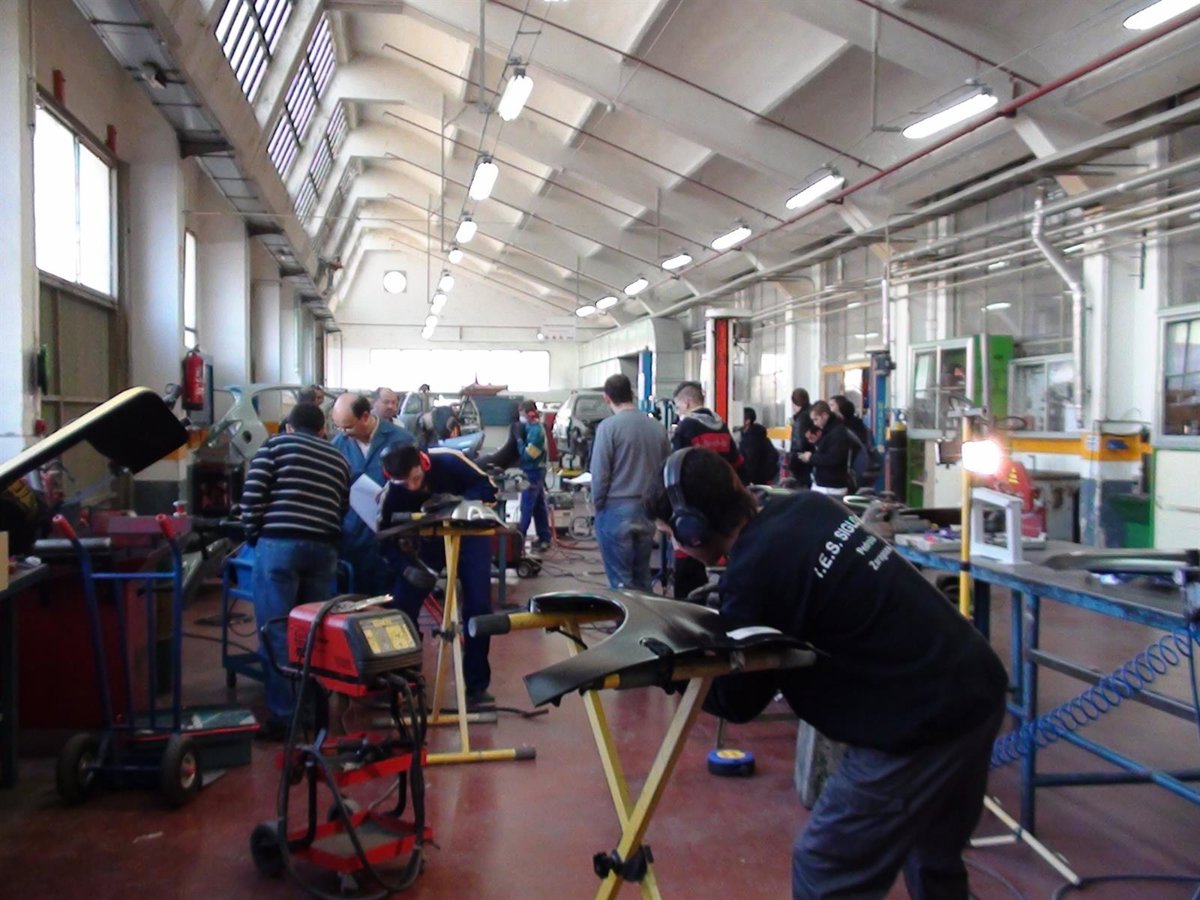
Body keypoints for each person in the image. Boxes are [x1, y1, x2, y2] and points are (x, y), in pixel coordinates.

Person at [644, 448, 1007, 900]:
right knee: (933, 858)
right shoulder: (808, 506)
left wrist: (671, 670)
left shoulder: (755, 572)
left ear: (693, 528)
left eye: (674, 536)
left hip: (922, 721)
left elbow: (739, 701)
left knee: (825, 868)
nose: (679, 548)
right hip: (975, 681)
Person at [240, 403, 351, 739]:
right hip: (324, 549)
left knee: (276, 630)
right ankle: (313, 714)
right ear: (322, 429)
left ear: (289, 425)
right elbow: (342, 506)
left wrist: (253, 534)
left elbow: (252, 496)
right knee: (312, 632)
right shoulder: (338, 459)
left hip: (280, 547)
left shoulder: (274, 447)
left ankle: (285, 719)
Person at [379, 445, 498, 706]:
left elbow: (490, 487)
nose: (412, 487)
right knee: (401, 605)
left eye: (415, 479)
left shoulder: (449, 460)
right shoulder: (392, 491)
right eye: (404, 484)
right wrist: (405, 568)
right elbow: (383, 539)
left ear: (424, 463)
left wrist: (460, 501)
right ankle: (407, 679)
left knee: (479, 607)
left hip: (470, 536)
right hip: (428, 542)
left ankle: (476, 685)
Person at [590, 374, 670, 591]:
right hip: (647, 510)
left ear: (607, 398)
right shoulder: (657, 427)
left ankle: (626, 613)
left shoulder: (608, 428)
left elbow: (600, 473)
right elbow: (665, 470)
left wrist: (597, 504)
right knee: (642, 575)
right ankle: (646, 613)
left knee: (621, 581)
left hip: (615, 509)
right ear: (632, 394)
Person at [330, 392, 415, 596]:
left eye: (348, 427)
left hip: (392, 535)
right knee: (353, 598)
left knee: (390, 598)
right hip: (352, 536)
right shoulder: (338, 445)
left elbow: (418, 485)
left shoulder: (402, 440)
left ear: (365, 417)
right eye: (339, 427)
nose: (343, 433)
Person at [670, 381, 743, 599]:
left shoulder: (686, 428)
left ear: (687, 402)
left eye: (678, 406)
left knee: (688, 568)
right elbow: (738, 464)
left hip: (693, 508)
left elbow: (676, 469)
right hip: (723, 506)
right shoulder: (721, 426)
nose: (678, 412)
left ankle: (687, 609)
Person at [515, 400, 552, 552]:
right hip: (535, 471)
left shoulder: (536, 432)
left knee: (527, 506)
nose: (521, 417)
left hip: (533, 472)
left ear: (529, 413)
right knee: (538, 507)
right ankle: (544, 538)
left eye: (522, 413)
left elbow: (528, 456)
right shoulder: (530, 427)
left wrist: (519, 440)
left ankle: (518, 540)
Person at [797, 400, 852, 497]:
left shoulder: (837, 432)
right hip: (826, 484)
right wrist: (816, 443)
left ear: (824, 415)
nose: (815, 423)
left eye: (816, 419)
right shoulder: (830, 430)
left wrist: (811, 458)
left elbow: (833, 459)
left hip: (831, 487)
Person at [738, 407, 779, 486]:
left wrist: (744, 481)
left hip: (761, 479)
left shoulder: (752, 438)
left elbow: (751, 462)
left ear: (747, 421)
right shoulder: (751, 435)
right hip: (764, 477)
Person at [788, 388, 815, 488]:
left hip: (802, 460)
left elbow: (800, 443)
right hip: (812, 457)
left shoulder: (802, 418)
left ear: (794, 402)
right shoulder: (812, 412)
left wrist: (793, 461)